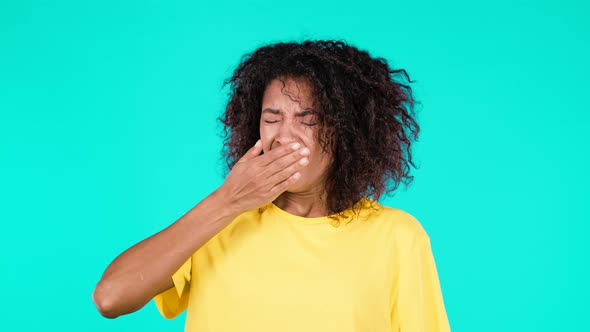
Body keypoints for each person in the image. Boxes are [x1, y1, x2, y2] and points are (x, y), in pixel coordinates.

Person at [92, 39, 451, 331]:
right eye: (272, 118)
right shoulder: (220, 221)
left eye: (307, 120)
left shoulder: (397, 237)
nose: (285, 137)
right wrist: (228, 200)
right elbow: (110, 298)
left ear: (347, 132)